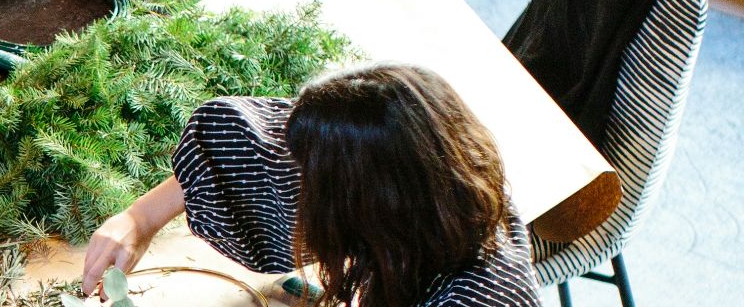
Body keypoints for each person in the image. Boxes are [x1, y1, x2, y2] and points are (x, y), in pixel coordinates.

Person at [80, 64, 540, 307]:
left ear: (359, 210)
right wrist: (142, 217)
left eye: (309, 181)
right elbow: (241, 140)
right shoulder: (436, 180)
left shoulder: (479, 297)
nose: (290, 181)